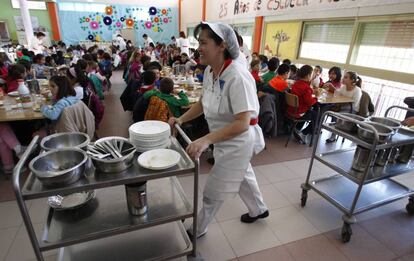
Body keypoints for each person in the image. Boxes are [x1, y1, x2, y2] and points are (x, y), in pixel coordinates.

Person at [168, 22, 268, 238]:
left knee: (214, 190)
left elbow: (242, 123)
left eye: (203, 42)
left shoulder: (237, 77)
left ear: (222, 45)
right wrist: (181, 119)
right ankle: (259, 209)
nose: (198, 48)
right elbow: (204, 103)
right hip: (223, 138)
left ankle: (199, 228)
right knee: (243, 175)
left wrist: (205, 140)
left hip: (239, 141)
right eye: (198, 43)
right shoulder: (210, 71)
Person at [326, 71, 363, 143]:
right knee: (325, 108)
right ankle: (317, 128)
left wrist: (341, 101)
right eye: (344, 77)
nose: (343, 79)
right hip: (341, 106)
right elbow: (337, 94)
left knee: (338, 115)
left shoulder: (357, 90)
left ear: (352, 80)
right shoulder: (343, 87)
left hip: (351, 110)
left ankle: (333, 137)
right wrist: (331, 88)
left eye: (346, 77)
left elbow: (353, 103)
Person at [289, 65, 318, 144]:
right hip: (299, 112)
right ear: (308, 75)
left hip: (291, 110)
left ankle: (297, 129)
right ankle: (304, 134)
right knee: (316, 115)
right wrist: (317, 97)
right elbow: (310, 102)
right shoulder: (306, 88)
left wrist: (311, 92)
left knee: (311, 112)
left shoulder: (296, 84)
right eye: (312, 74)